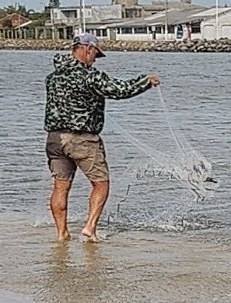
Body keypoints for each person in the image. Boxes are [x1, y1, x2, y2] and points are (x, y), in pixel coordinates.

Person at [43, 32, 160, 242]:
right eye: (95, 54)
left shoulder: (52, 78)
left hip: (55, 139)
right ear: (87, 49)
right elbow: (120, 90)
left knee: (61, 186)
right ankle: (90, 228)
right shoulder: (91, 77)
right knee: (101, 183)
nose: (95, 60)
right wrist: (146, 81)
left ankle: (62, 234)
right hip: (83, 139)